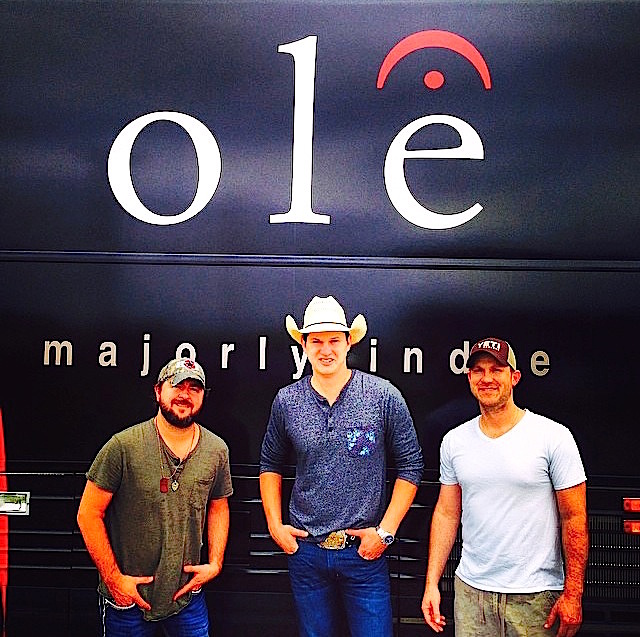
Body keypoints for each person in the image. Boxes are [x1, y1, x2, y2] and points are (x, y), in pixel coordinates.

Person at [259, 295, 423, 637]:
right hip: (306, 554)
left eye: (334, 340)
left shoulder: (382, 395)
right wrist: (275, 526)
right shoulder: (287, 400)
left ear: (349, 342)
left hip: (363, 556)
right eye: (316, 341)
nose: (325, 350)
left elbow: (411, 465)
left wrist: (385, 533)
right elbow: (270, 463)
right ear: (303, 345)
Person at [422, 337, 588, 637]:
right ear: (469, 378)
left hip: (536, 598)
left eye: (497, 369)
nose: (487, 378)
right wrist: (431, 583)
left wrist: (573, 594)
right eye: (478, 370)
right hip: (472, 596)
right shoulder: (454, 441)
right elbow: (447, 513)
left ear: (514, 377)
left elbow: (574, 518)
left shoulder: (553, 437)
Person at [77, 357, 233, 637]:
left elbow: (218, 506)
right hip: (127, 600)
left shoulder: (216, 450)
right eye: (177, 386)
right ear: (158, 391)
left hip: (188, 597)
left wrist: (215, 563)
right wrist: (114, 580)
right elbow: (88, 513)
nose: (185, 394)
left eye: (194, 388)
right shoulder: (123, 446)